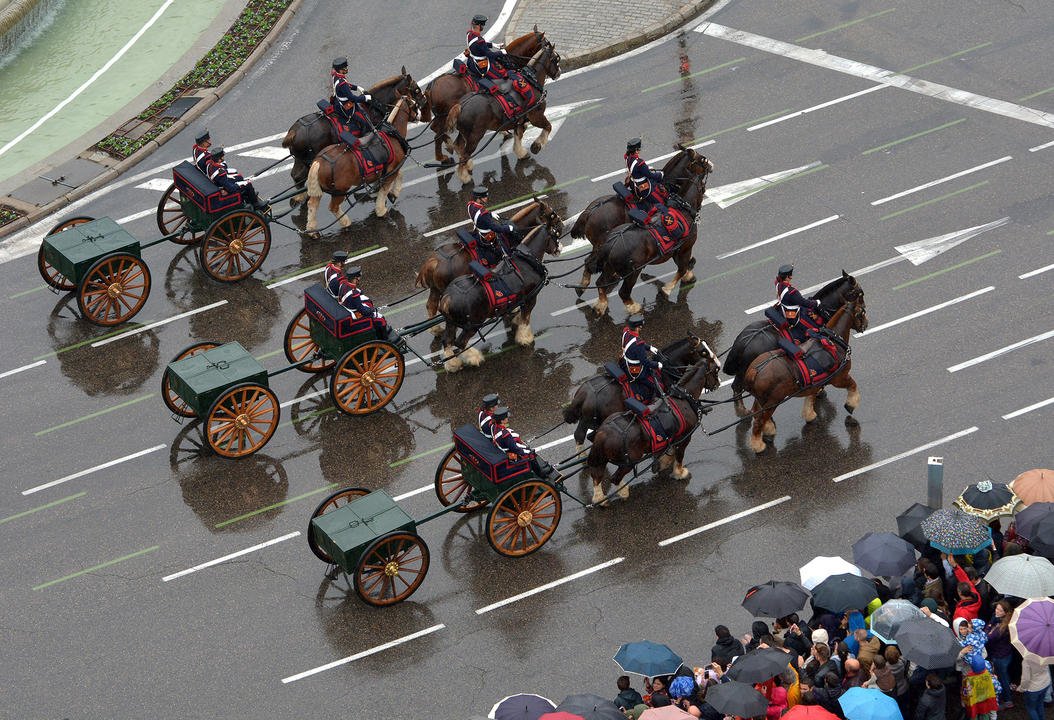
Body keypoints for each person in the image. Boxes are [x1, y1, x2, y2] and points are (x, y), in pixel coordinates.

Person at [323, 252, 397, 341]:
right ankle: (385, 340)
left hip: (344, 304)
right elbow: (363, 310)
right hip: (353, 313)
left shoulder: (339, 280)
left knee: (367, 301)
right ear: (355, 279)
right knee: (381, 318)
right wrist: (372, 310)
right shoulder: (354, 294)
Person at [490, 406, 556, 479]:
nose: (507, 418)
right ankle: (541, 474)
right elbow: (514, 448)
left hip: (503, 450)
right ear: (502, 421)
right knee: (531, 453)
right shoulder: (505, 434)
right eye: (506, 417)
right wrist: (525, 452)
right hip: (511, 455)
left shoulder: (494, 427)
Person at [620, 314, 665, 404]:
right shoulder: (638, 343)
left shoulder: (626, 332)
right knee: (658, 385)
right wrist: (658, 365)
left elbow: (632, 344)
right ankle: (652, 402)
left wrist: (649, 348)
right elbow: (645, 362)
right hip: (636, 371)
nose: (641, 328)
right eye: (640, 327)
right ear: (637, 328)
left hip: (624, 362)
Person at [775, 264, 823, 342]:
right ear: (788, 277)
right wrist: (816, 302)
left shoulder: (777, 284)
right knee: (814, 327)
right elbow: (804, 302)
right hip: (794, 316)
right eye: (791, 274)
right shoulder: (791, 291)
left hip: (783, 308)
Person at [330, 57, 373, 142]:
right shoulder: (342, 83)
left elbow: (347, 84)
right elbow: (352, 98)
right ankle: (362, 139)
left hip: (337, 101)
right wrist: (365, 98)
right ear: (341, 70)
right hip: (345, 106)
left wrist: (357, 87)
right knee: (364, 121)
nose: (347, 69)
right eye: (345, 68)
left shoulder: (336, 75)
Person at [624, 137, 666, 213]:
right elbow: (649, 175)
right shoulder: (640, 163)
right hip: (642, 188)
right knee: (660, 200)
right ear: (636, 151)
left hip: (632, 183)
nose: (640, 150)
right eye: (639, 149)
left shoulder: (627, 157)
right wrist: (660, 175)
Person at [985, 599, 1014, 709]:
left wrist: (989, 626)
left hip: (1000, 656)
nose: (996, 611)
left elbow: (988, 637)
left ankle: (1007, 700)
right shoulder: (999, 620)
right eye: (997, 608)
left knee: (1002, 678)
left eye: (1000, 610)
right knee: (1004, 675)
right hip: (1004, 653)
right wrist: (990, 626)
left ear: (1006, 613)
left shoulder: (1002, 627)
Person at [465, 14, 508, 80]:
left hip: (470, 61)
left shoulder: (469, 34)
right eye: (483, 25)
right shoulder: (480, 41)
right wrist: (502, 52)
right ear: (479, 26)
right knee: (501, 76)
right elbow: (491, 55)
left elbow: (478, 45)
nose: (484, 26)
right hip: (480, 66)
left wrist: (493, 45)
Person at [1019, 655, 1052, 720]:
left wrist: (1022, 688)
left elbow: (1026, 679)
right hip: (1045, 683)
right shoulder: (1046, 655)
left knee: (1031, 709)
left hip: (1033, 688)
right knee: (1040, 703)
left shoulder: (1027, 660)